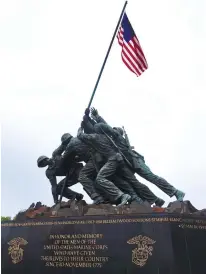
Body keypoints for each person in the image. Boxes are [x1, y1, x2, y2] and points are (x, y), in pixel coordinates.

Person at [90, 108, 185, 202]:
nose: (112, 130)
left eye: (114, 129)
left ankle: (176, 192)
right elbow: (106, 127)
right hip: (129, 164)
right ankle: (150, 200)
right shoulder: (113, 141)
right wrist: (97, 117)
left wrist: (98, 119)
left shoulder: (118, 137)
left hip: (136, 161)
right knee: (133, 183)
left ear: (119, 132)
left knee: (152, 177)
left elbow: (106, 127)